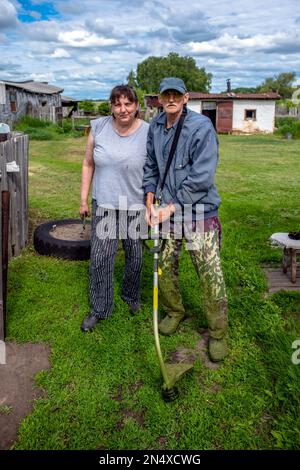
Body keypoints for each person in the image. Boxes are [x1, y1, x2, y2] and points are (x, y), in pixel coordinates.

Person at [143, 77, 228, 362]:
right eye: (165, 94)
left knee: (210, 274)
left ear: (186, 97)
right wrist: (149, 198)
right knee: (164, 267)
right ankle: (175, 311)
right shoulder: (155, 127)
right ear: (159, 98)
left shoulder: (201, 127)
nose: (170, 99)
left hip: (199, 212)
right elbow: (151, 166)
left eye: (176, 95)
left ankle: (217, 332)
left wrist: (172, 206)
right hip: (165, 210)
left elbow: (202, 177)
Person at [80, 85, 149, 332]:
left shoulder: (149, 133)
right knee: (100, 257)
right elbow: (88, 164)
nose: (123, 109)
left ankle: (131, 296)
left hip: (135, 205)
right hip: (106, 203)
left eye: (128, 104)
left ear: (136, 106)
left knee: (136, 256)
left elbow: (155, 171)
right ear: (111, 106)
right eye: (117, 104)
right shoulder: (98, 127)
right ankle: (100, 308)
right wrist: (83, 199)